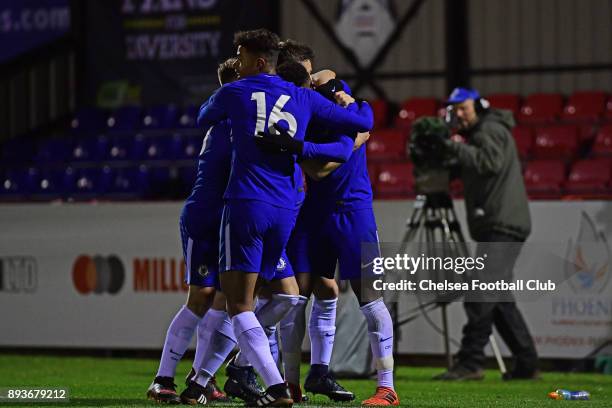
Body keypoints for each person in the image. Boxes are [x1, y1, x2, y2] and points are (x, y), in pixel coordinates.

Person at [197, 29, 373, 407]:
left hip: (247, 203)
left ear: (259, 61)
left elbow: (203, 117)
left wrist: (231, 100)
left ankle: (255, 382)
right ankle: (228, 378)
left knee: (236, 302)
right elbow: (360, 121)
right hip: (286, 210)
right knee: (287, 296)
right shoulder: (305, 97)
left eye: (241, 56)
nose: (239, 64)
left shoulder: (237, 91)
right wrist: (323, 131)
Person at [146, 58, 238, 405]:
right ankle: (162, 379)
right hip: (205, 216)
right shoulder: (228, 124)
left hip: (229, 217)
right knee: (202, 295)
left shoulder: (231, 120)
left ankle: (201, 379)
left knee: (231, 299)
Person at [432, 87, 539, 381]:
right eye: (455, 109)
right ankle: (527, 363)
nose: (459, 114)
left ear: (478, 106)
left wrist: (451, 146)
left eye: (463, 108)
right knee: (499, 298)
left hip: (501, 225)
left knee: (480, 293)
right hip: (502, 223)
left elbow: (488, 162)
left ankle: (470, 362)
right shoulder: (484, 132)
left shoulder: (489, 130)